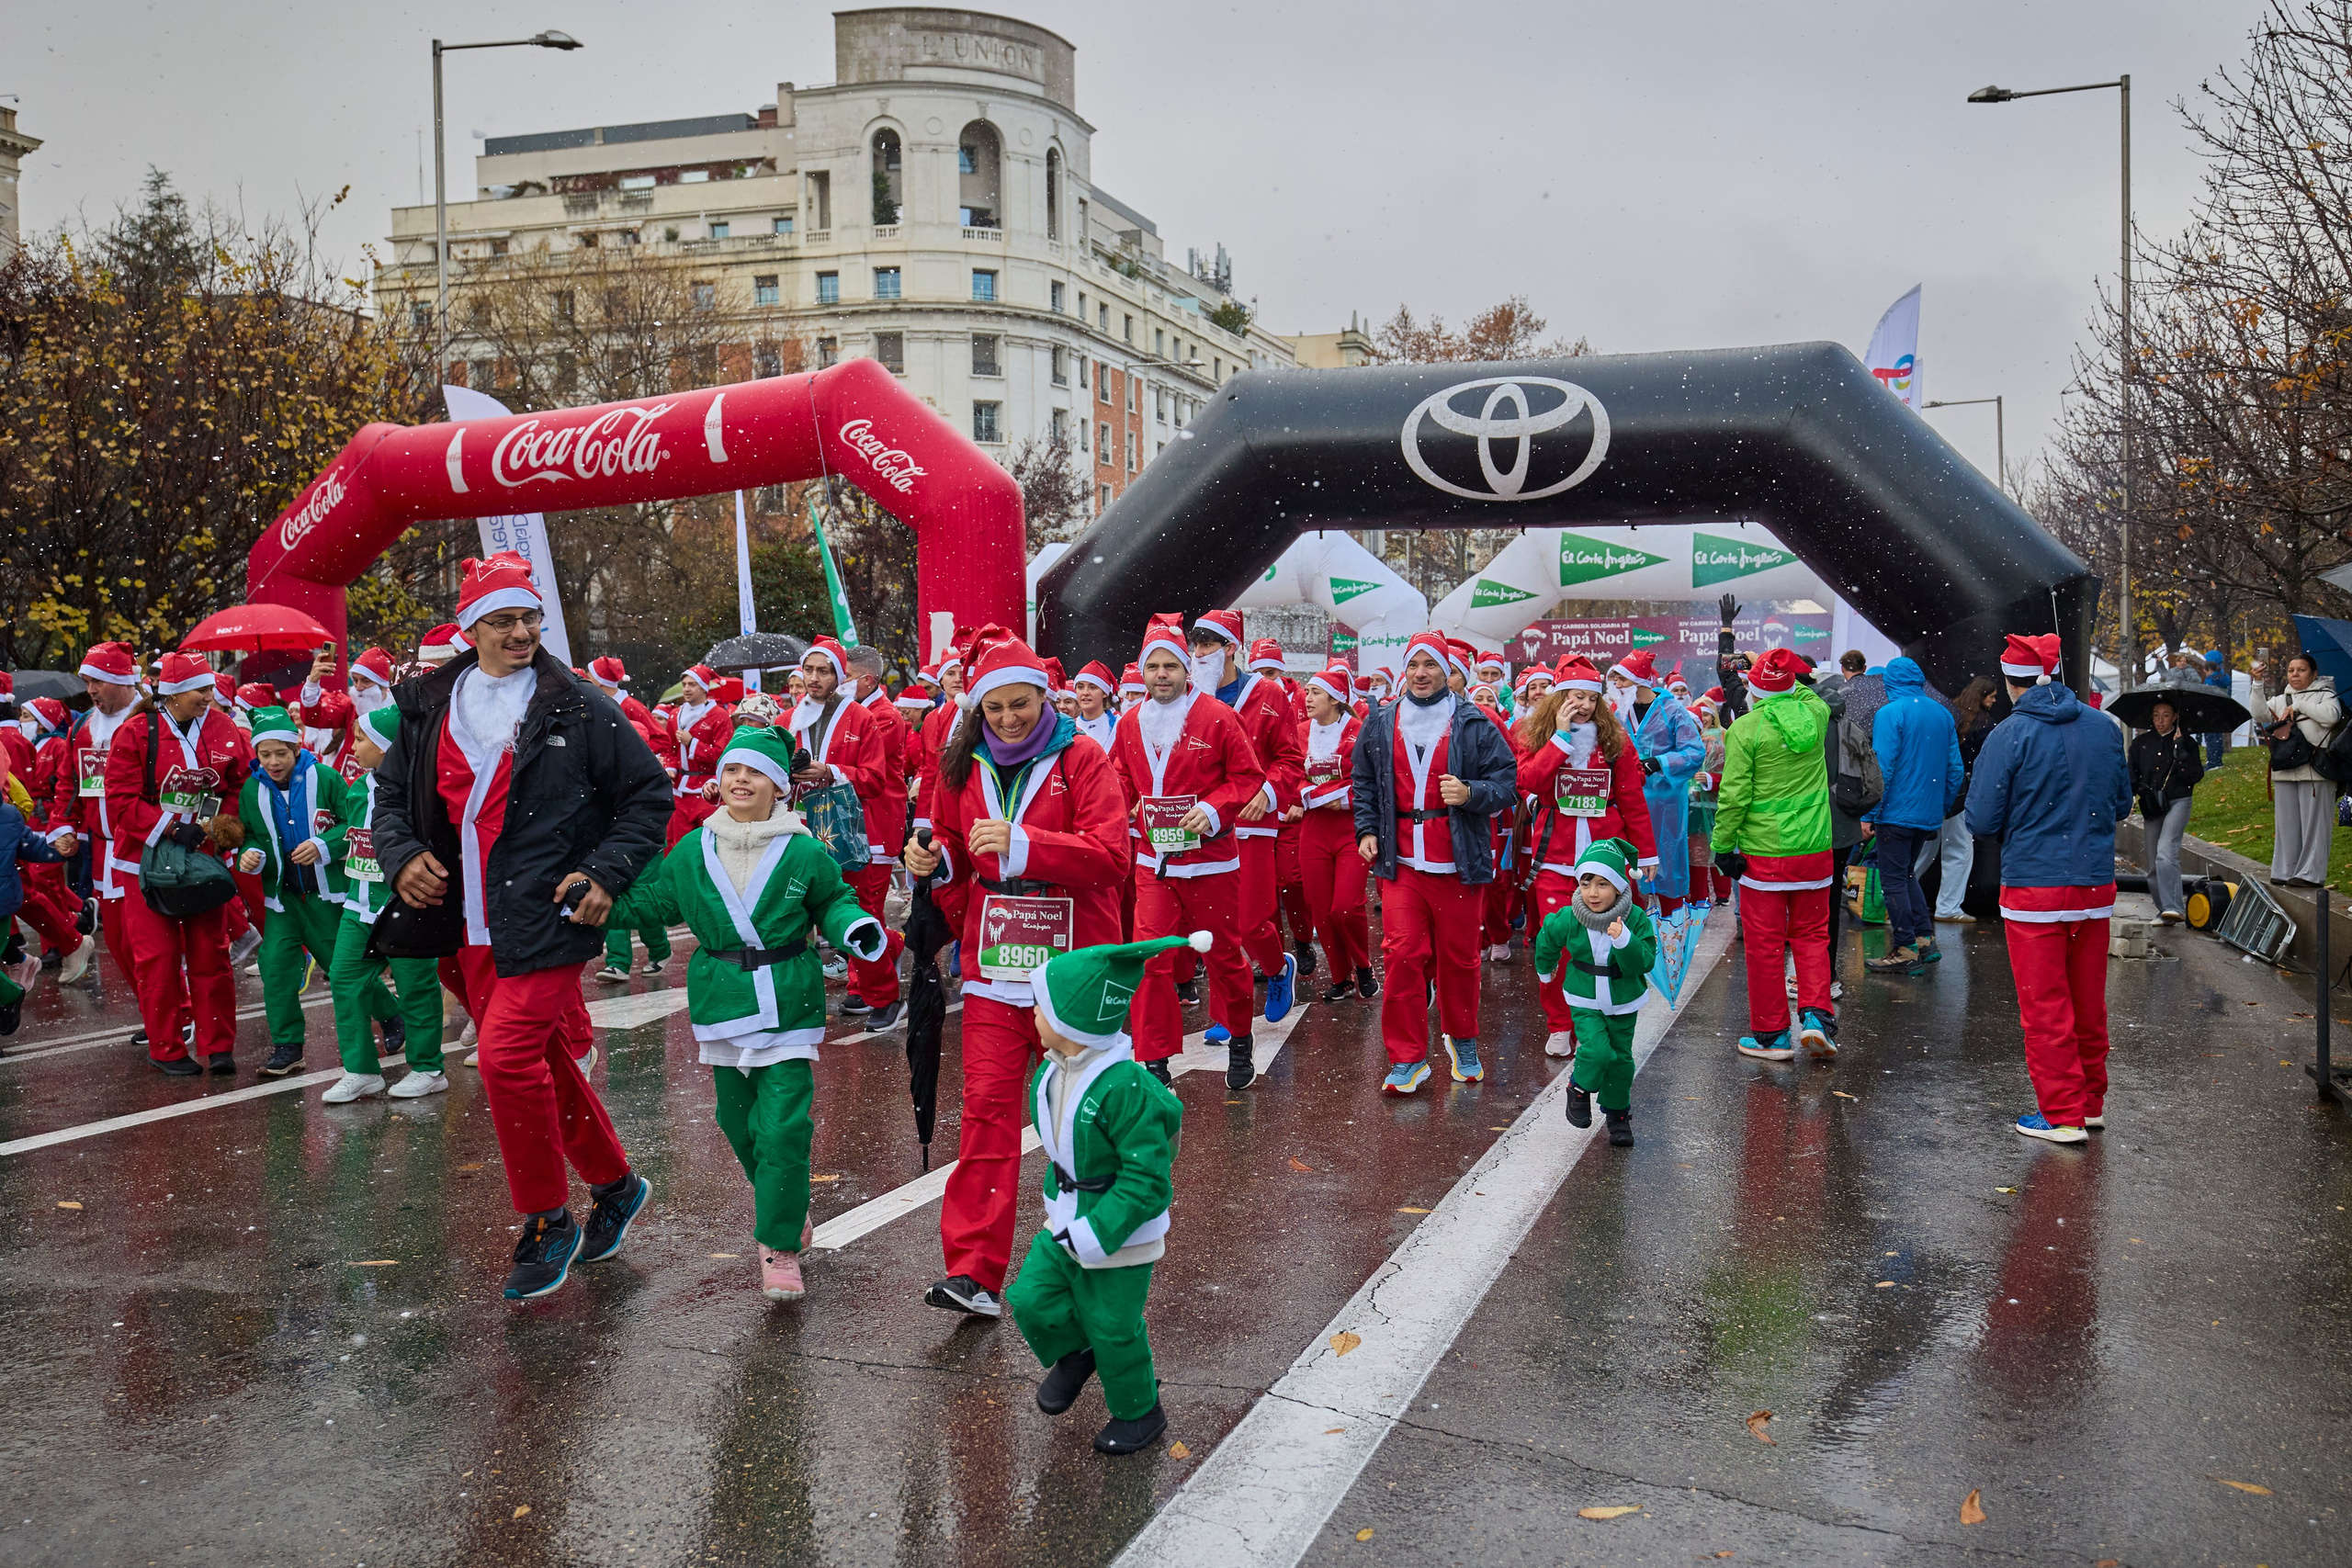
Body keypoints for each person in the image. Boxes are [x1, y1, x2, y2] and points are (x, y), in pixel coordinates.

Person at [372, 552, 672, 1300]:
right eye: (501, 620)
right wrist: (401, 852)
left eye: (528, 617)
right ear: (470, 627)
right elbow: (389, 798)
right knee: (545, 1064)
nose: (518, 632)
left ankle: (547, 1218)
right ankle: (615, 1183)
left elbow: (648, 795)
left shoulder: (578, 705)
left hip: (546, 912)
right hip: (463, 921)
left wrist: (604, 874)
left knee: (505, 1060)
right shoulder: (429, 706)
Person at [605, 727, 885, 1303]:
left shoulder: (804, 849)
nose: (740, 779)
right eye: (733, 770)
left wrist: (852, 928)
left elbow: (834, 900)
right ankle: (785, 1202)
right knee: (738, 1123)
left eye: (755, 772)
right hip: (721, 999)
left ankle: (779, 1245)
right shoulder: (693, 848)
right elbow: (654, 901)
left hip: (786, 997)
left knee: (783, 1126)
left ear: (779, 787)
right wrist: (594, 903)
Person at [901, 627, 1129, 1319]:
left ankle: (1099, 1250)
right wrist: (931, 865)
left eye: (1020, 704)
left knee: (1084, 1118)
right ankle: (974, 1272)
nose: (1007, 718)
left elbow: (1112, 856)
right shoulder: (961, 767)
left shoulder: (1083, 758)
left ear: (1043, 697)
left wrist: (1028, 843)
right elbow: (952, 858)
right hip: (997, 966)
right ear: (977, 708)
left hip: (1075, 969)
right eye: (994, 707)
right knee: (989, 1111)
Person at [1006, 932, 1193, 1456]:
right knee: (1030, 1298)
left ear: (1074, 1022)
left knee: (1116, 1328)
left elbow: (1147, 1179)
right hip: (1066, 1216)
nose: (1034, 1017)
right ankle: (1076, 1350)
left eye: (1040, 1008)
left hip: (1120, 1231)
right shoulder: (1051, 1070)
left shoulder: (1126, 1088)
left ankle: (1140, 1411)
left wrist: (1098, 1230)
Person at [1966, 633, 2132, 1144]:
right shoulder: (2104, 727)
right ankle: (2089, 1102)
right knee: (2087, 998)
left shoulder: (2009, 734)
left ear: (2012, 684)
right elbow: (2122, 803)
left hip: (2035, 884)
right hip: (2094, 884)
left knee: (2045, 1004)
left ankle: (2060, 1113)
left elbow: (1981, 818)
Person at [1109, 615, 1272, 1089]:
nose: (1162, 675)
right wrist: (1126, 802)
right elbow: (1118, 776)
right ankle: (1155, 1060)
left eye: (1171, 666)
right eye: (1153, 667)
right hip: (1153, 864)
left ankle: (1241, 1038)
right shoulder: (1130, 722)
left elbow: (1248, 778)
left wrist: (1214, 810)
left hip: (1212, 863)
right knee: (1152, 960)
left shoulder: (1218, 717)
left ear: (1186, 669)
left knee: (1224, 956)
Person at [1352, 631, 1519, 1091]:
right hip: (1401, 861)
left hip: (1459, 863)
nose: (1421, 674)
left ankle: (1463, 1038)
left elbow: (1508, 783)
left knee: (1460, 960)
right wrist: (1366, 830)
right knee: (1403, 956)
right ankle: (1407, 1057)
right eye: (1413, 666)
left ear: (1447, 670)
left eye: (1430, 665)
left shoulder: (1475, 721)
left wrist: (1471, 794)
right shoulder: (1382, 720)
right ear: (1404, 672)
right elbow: (1363, 780)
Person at [106, 649, 255, 1076]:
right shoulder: (137, 732)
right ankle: (166, 1047)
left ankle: (219, 1044)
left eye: (209, 687)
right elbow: (120, 799)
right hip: (143, 863)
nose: (209, 696)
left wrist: (208, 822)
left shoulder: (223, 728)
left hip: (201, 858)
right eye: (199, 689)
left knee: (211, 952)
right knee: (158, 958)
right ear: (172, 693)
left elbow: (235, 782)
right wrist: (170, 828)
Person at [1514, 657, 1657, 1057]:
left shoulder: (1615, 742)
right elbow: (1531, 781)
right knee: (1557, 943)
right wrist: (1559, 738)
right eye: (1575, 696)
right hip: (1554, 861)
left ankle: (1601, 1015)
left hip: (1605, 861)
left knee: (1608, 942)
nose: (1584, 705)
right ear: (1559, 697)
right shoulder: (1537, 734)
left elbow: (1632, 799)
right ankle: (1560, 1023)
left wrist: (1645, 853)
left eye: (1591, 698)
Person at [318, 705, 451, 1100]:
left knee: (416, 986)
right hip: (358, 908)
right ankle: (361, 1070)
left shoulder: (421, 794)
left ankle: (428, 1068)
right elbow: (351, 838)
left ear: (388, 748)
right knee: (345, 980)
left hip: (406, 906)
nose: (353, 747)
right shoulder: (358, 789)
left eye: (362, 739)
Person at [1711, 648, 1838, 1063]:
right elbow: (1805, 691)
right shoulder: (1816, 715)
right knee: (1812, 936)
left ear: (1753, 689)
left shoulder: (1745, 729)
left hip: (1764, 853)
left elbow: (1733, 797)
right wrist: (1776, 666)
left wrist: (1721, 846)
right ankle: (1818, 1017)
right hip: (1815, 848)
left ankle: (1772, 1036)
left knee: (1765, 945)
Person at [234, 707, 367, 1083]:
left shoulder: (326, 778)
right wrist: (249, 854)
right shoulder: (251, 788)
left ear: (296, 747)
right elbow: (249, 834)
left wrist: (323, 845)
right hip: (282, 898)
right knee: (275, 968)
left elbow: (354, 824)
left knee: (343, 969)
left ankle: (389, 1015)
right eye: (265, 754)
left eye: (281, 752)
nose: (273, 762)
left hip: (325, 896)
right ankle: (288, 1046)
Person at [1185, 610, 1303, 1032]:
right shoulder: (1186, 696)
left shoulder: (1268, 693)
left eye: (1207, 645)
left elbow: (1291, 758)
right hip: (1202, 825)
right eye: (1194, 646)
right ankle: (1226, 1014)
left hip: (1253, 823)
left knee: (1252, 921)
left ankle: (1276, 968)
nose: (1198, 654)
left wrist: (1268, 793)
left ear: (1231, 648)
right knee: (1216, 926)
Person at [791, 637, 908, 1029]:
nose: (813, 678)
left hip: (855, 828)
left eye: (823, 671)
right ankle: (887, 946)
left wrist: (830, 772)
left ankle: (884, 998)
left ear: (839, 676)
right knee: (810, 915)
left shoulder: (862, 718)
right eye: (808, 670)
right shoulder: (788, 720)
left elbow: (876, 779)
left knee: (857, 916)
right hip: (807, 830)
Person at [1532, 837, 1656, 1146]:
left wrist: (1624, 940)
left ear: (1618, 887)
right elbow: (1548, 937)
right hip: (1584, 997)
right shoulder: (1570, 917)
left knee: (1621, 1060)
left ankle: (1617, 1115)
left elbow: (1644, 961)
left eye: (1602, 884)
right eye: (1586, 883)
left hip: (1624, 998)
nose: (1593, 893)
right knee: (1597, 1050)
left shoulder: (1635, 918)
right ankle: (1579, 1087)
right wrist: (1545, 969)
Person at [1860, 657, 1963, 976]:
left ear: (1890, 683)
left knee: (1893, 880)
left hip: (1895, 813)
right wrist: (1940, 807)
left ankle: (1905, 947)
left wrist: (1870, 813)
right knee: (1906, 875)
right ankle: (1924, 939)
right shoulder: (1942, 713)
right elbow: (1955, 770)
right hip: (1926, 814)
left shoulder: (1890, 713)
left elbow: (1883, 769)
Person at [1295, 661, 1376, 1003]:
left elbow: (1366, 780)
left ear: (1336, 699)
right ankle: (1340, 977)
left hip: (1350, 829)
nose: (1307, 698)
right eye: (1308, 692)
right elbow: (1291, 774)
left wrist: (1337, 797)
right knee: (1320, 910)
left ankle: (1363, 965)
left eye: (1315, 693)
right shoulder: (1300, 732)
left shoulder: (1359, 731)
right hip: (1313, 828)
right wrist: (1313, 794)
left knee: (1346, 907)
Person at [1613, 649, 1707, 915]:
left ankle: (1670, 923)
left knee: (1667, 858)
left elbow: (1694, 751)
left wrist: (1660, 763)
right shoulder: (1618, 712)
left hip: (1665, 801)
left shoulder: (1672, 710)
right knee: (1627, 860)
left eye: (1623, 680)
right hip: (1627, 798)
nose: (1617, 686)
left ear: (1639, 681)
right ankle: (1633, 923)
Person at [2264, 651, 2341, 888]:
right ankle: (2285, 870)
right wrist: (2257, 685)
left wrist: (2299, 705)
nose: (2295, 674)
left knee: (2315, 825)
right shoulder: (2281, 698)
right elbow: (2258, 714)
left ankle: (2311, 874)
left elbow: (2331, 717)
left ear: (2314, 673)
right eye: (2290, 670)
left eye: (2301, 670)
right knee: (2286, 825)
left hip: (2315, 769)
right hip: (2285, 768)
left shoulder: (2326, 694)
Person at [1932, 678, 2001, 926]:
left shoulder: (1950, 712)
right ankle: (1948, 905)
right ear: (1982, 697)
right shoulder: (1986, 725)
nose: (1994, 701)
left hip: (1936, 786)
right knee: (1960, 849)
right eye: (1991, 696)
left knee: (1925, 848)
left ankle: (1889, 900)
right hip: (1962, 792)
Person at [2128, 694, 2202, 923]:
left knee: (2166, 852)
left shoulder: (2186, 742)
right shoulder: (2141, 743)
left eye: (2166, 716)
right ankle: (2165, 910)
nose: (2160, 721)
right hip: (2153, 805)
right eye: (2156, 716)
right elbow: (2132, 774)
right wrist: (2132, 794)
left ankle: (2174, 906)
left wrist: (2180, 751)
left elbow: (2194, 776)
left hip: (2178, 800)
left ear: (2175, 717)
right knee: (2152, 862)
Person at [668, 664, 734, 847]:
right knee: (678, 845)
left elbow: (723, 756)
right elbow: (670, 749)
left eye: (692, 684)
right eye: (684, 684)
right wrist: (670, 768)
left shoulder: (719, 716)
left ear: (704, 688)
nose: (686, 689)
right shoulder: (674, 715)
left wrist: (693, 743)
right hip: (679, 790)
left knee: (709, 843)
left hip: (707, 789)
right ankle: (680, 876)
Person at [1071, 661, 1120, 750]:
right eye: (1080, 687)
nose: (1085, 693)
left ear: (1105, 693)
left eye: (1092, 687)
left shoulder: (1119, 727)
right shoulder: (1069, 727)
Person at [2199, 649, 2233, 768]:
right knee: (2217, 736)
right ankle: (2218, 761)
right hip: (2221, 709)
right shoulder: (2224, 677)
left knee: (2210, 737)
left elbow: (2206, 696)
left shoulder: (2210, 680)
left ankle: (2213, 763)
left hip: (2211, 711)